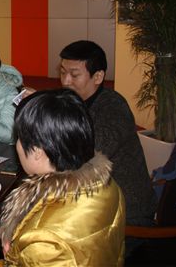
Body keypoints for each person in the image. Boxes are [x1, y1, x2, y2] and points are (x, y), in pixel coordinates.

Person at [0, 89, 125, 266]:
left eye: (19, 137)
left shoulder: (45, 243)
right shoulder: (107, 185)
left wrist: (12, 255)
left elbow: (49, 238)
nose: (17, 144)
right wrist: (8, 219)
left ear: (38, 151)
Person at [57, 40, 156, 228]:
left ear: (98, 76)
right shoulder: (75, 100)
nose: (66, 81)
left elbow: (89, 152)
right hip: (94, 198)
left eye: (74, 75)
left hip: (126, 212)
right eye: (62, 72)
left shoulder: (113, 107)